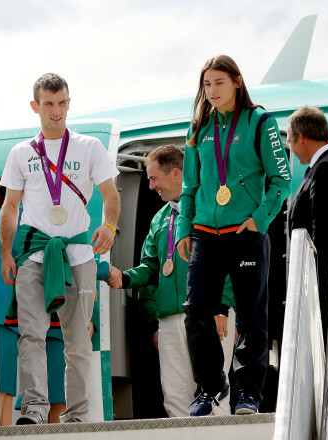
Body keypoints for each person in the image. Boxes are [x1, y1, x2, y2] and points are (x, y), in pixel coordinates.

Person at [0, 73, 120, 424]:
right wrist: (8, 254)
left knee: (78, 340)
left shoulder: (89, 148)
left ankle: (78, 415)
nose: (56, 110)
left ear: (69, 103)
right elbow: (10, 207)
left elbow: (111, 194)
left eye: (62, 102)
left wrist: (109, 226)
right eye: (48, 103)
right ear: (35, 106)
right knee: (31, 334)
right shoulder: (21, 153)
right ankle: (35, 411)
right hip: (34, 256)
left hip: (78, 256)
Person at [175, 55, 291, 416]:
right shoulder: (198, 129)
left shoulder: (260, 122)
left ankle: (248, 393)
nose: (211, 91)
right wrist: (184, 229)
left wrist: (260, 219)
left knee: (251, 315)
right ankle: (209, 388)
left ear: (237, 82)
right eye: (206, 84)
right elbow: (189, 187)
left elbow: (282, 179)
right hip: (206, 235)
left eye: (219, 83)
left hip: (246, 234)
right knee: (195, 312)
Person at [106, 145, 236, 417]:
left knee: (214, 395)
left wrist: (222, 307)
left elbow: (229, 261)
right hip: (169, 321)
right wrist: (125, 278)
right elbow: (151, 267)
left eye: (154, 178)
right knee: (175, 398)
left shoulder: (211, 208)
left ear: (176, 174)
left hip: (210, 315)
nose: (151, 186)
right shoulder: (160, 219)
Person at [287, 105, 328, 344]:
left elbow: (322, 234)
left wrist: (314, 290)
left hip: (321, 284)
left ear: (301, 137)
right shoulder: (326, 164)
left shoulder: (326, 168)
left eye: (289, 140)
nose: (290, 147)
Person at [0, 177, 20, 426]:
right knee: (3, 379)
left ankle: (3, 425)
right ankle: (1, 427)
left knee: (6, 378)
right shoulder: (12, 219)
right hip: (7, 309)